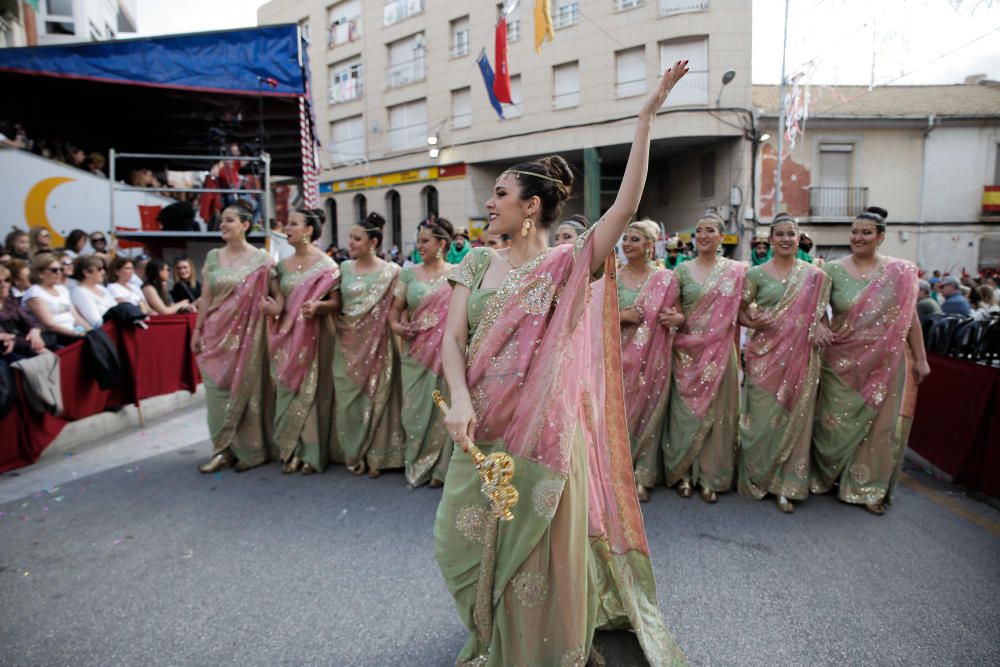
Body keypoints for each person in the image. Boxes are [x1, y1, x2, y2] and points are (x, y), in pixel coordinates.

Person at [436, 62, 690, 667]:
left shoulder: (569, 263)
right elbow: (451, 341)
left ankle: (539, 649)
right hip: (481, 422)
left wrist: (645, 117)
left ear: (530, 207)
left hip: (546, 424)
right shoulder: (475, 261)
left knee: (539, 546)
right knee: (460, 536)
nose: (488, 202)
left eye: (499, 193)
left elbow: (626, 208)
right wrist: (462, 400)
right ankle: (493, 634)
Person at [811, 207, 931, 515]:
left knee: (878, 426)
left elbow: (910, 319)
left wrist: (921, 359)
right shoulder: (832, 270)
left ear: (880, 238)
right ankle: (828, 475)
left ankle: (867, 488)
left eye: (866, 233)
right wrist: (821, 325)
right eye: (854, 231)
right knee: (832, 422)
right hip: (840, 361)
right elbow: (816, 310)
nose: (858, 237)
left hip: (885, 361)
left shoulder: (899, 272)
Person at [737, 216, 832, 513]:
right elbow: (739, 313)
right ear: (770, 239)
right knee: (762, 418)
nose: (786, 239)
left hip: (800, 359)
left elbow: (821, 317)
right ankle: (758, 476)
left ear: (799, 237)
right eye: (780, 234)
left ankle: (787, 487)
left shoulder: (815, 276)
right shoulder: (755, 274)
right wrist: (754, 320)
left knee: (796, 420)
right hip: (764, 360)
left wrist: (820, 328)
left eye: (791, 234)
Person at [661, 211, 746, 503]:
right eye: (700, 230)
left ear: (722, 236)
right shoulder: (682, 271)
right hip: (687, 353)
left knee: (718, 415)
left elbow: (746, 308)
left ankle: (712, 477)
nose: (704, 235)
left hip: (721, 353)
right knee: (685, 414)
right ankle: (683, 474)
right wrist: (675, 317)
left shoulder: (736, 271)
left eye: (710, 230)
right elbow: (672, 309)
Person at [193, 201, 276, 474]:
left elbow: (276, 295)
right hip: (215, 333)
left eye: (229, 220)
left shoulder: (261, 259)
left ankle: (248, 450)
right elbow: (205, 298)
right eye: (222, 220)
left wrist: (276, 308)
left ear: (245, 224)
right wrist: (197, 330)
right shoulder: (213, 257)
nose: (223, 225)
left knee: (247, 390)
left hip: (248, 337)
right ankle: (221, 450)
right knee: (216, 394)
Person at [330, 212, 405, 477]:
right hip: (347, 343)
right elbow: (335, 304)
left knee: (378, 398)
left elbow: (400, 308)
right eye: (350, 237)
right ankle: (352, 452)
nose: (350, 242)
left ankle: (377, 456)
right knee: (348, 400)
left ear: (373, 242)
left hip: (379, 345)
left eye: (356, 238)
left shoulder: (392, 272)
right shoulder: (343, 269)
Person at [268, 208, 340, 475]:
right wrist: (273, 309)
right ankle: (290, 449)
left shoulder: (326, 265)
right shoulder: (280, 266)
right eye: (287, 223)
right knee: (287, 391)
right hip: (286, 337)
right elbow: (278, 301)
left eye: (293, 224)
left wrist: (318, 307)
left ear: (309, 230)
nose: (287, 228)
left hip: (315, 336)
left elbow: (336, 302)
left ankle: (310, 454)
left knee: (312, 394)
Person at [617, 219, 683, 502]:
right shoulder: (611, 277)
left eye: (634, 239)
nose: (627, 244)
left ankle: (643, 476)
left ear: (649, 246)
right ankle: (616, 473)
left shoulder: (665, 279)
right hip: (615, 359)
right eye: (626, 239)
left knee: (647, 415)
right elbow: (590, 315)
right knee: (617, 416)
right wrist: (622, 316)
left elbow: (678, 315)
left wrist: (678, 319)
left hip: (652, 360)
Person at [388, 217, 456, 487]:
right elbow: (394, 311)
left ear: (442, 243)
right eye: (418, 241)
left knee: (445, 410)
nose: (419, 246)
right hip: (415, 354)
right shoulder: (409, 273)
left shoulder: (459, 272)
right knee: (414, 412)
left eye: (425, 241)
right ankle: (417, 464)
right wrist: (397, 326)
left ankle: (441, 471)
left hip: (447, 355)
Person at [22, 252, 90, 345]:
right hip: (55, 338)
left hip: (73, 333)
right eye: (54, 270)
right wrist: (80, 335)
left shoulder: (62, 289)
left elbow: (76, 317)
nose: (59, 273)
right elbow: (50, 325)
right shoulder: (34, 293)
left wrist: (91, 331)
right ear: (40, 273)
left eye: (61, 269)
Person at [0, 265, 46, 361]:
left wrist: (35, 331)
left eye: (7, 280)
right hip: (8, 352)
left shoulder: (10, 300)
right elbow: (5, 340)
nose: (4, 284)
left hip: (22, 344)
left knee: (49, 356)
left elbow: (31, 320)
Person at [69, 255, 117, 328]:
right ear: (86, 273)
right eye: (99, 269)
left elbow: (116, 307)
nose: (103, 272)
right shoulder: (79, 292)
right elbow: (95, 321)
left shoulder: (101, 288)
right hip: (105, 330)